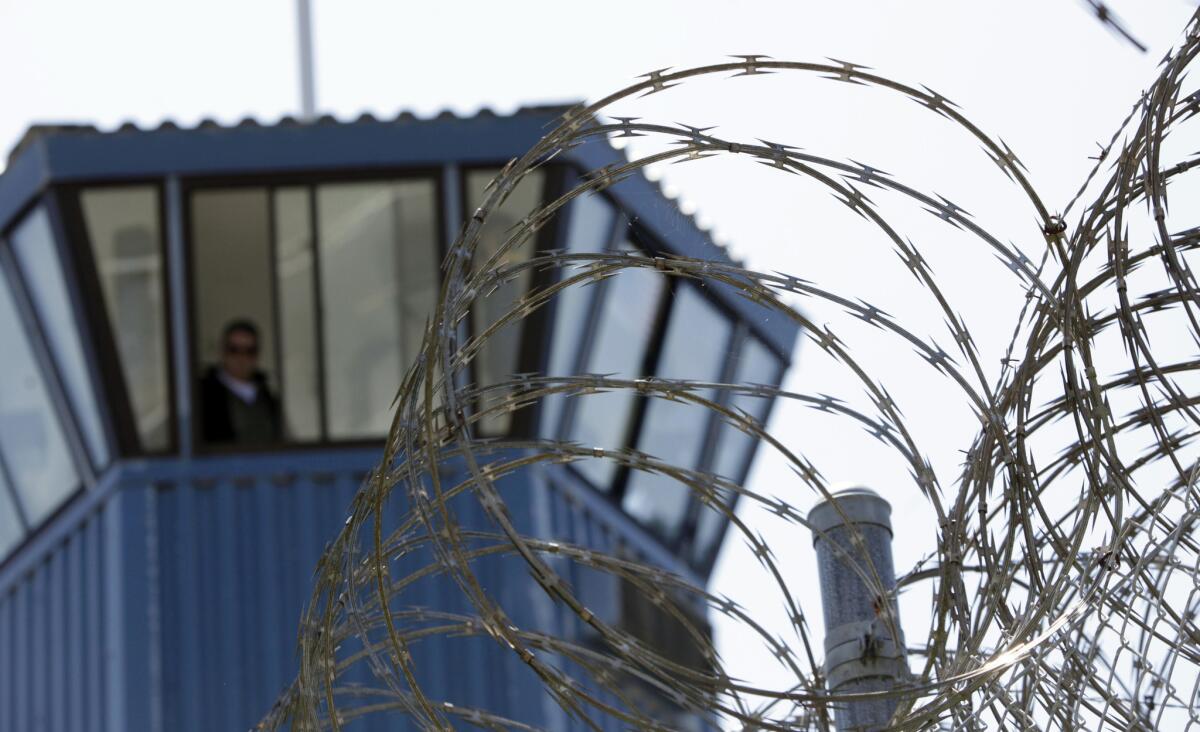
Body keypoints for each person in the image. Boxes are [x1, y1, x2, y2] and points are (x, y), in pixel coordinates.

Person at [199, 319, 283, 445]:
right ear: (222, 351)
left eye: (249, 351)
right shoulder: (204, 395)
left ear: (257, 354)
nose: (241, 357)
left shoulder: (269, 394)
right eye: (234, 349)